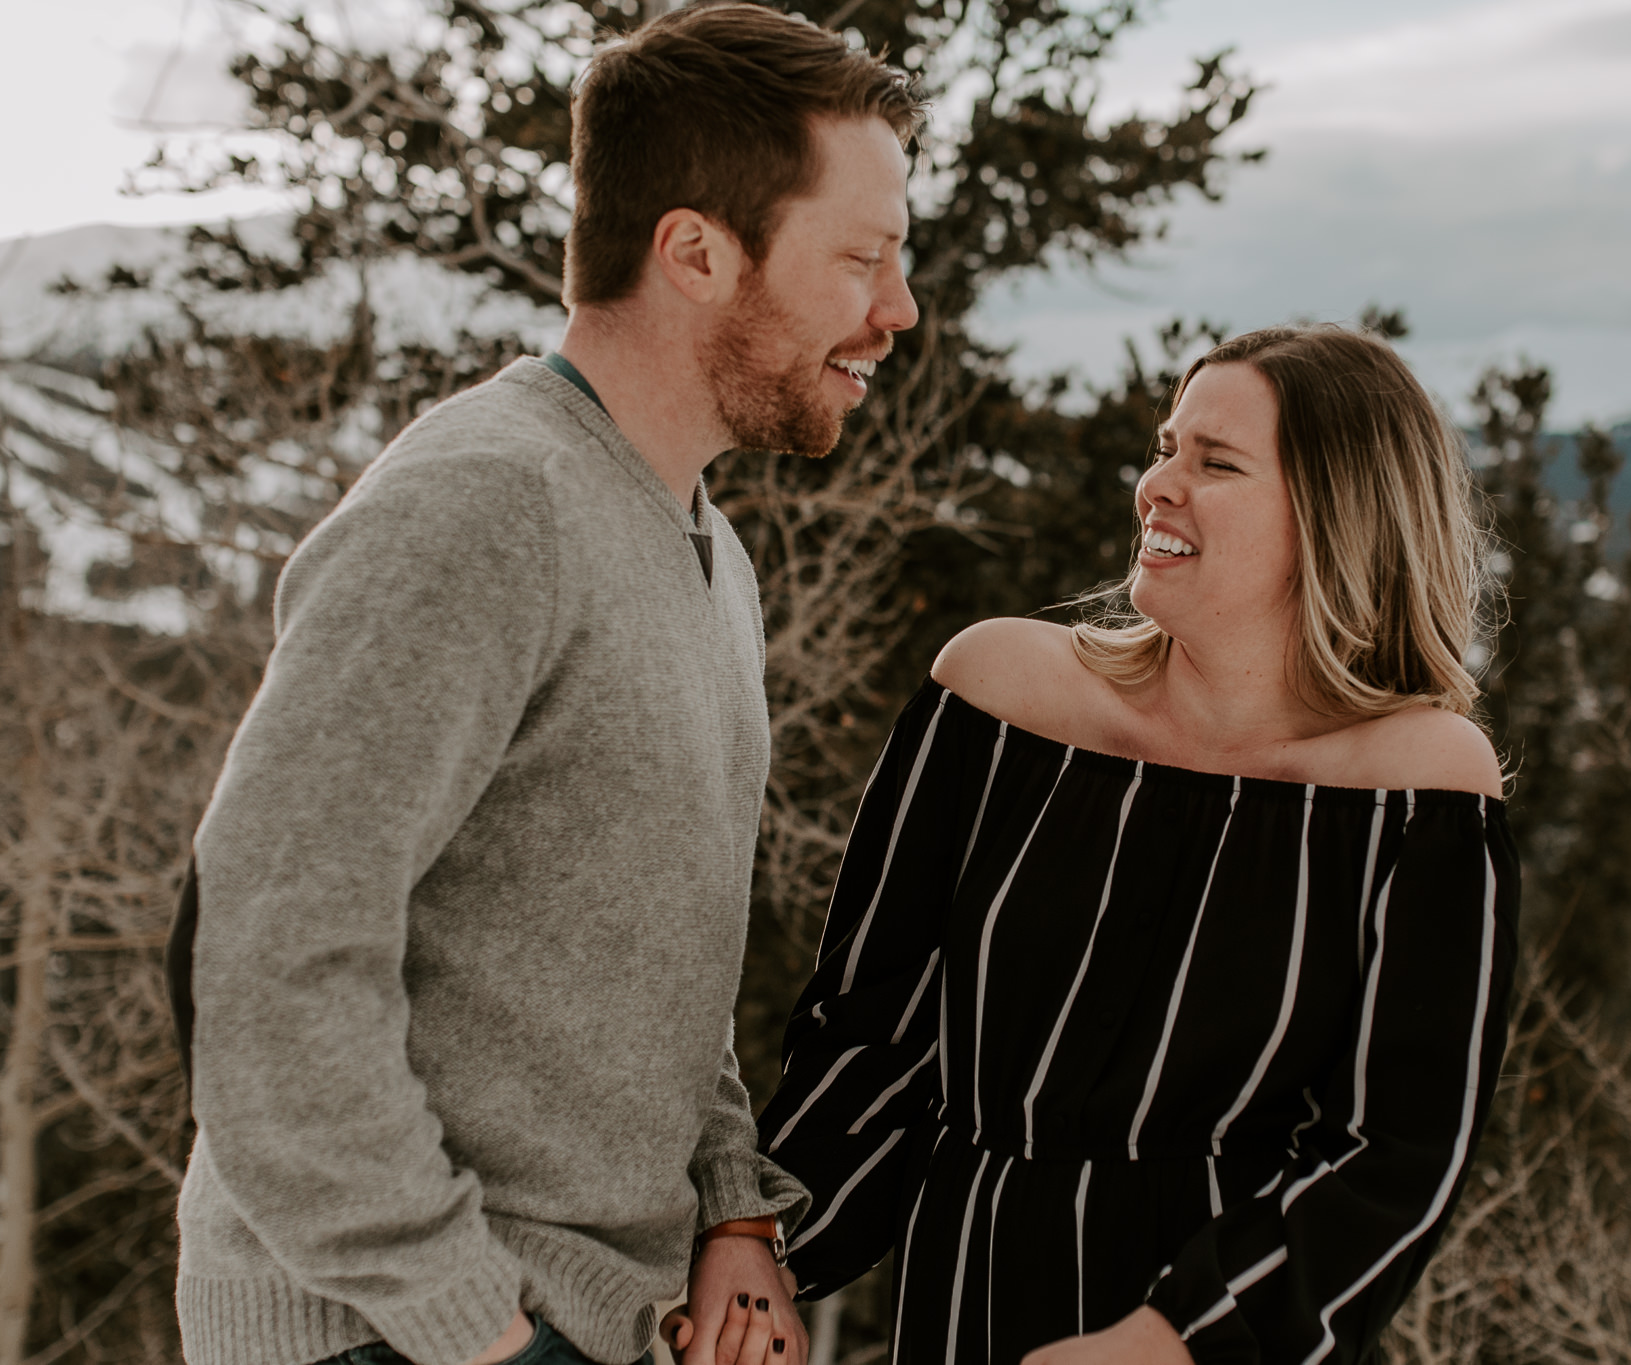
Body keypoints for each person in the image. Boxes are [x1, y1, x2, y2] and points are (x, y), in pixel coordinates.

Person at [168, 8, 920, 1365]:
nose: (896, 309)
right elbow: (261, 951)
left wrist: (733, 1207)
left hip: (578, 1314)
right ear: (696, 253)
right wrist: (470, 1323)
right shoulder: (487, 504)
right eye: (861, 258)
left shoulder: (706, 553)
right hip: (390, 1330)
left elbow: (650, 969)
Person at [756, 325, 1519, 1365]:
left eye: (1216, 463)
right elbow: (871, 1029)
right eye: (1166, 448)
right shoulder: (993, 696)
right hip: (967, 1304)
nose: (1157, 484)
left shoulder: (1421, 786)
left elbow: (1396, 1153)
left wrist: (1176, 1340)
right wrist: (765, 1244)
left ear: (1337, 512)